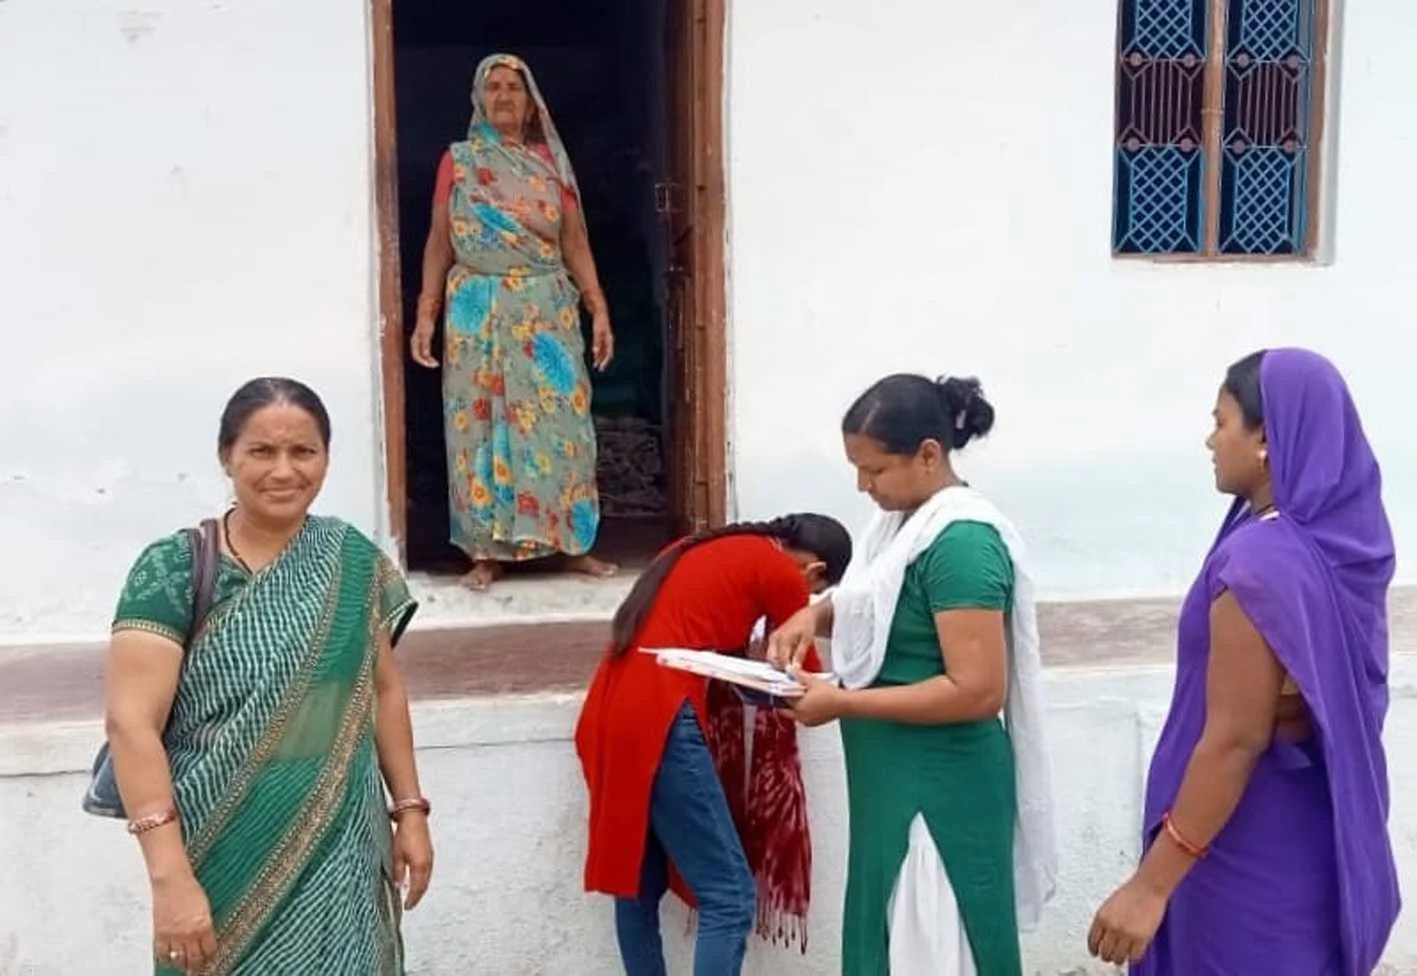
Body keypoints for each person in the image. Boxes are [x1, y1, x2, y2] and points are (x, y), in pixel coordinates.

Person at [104, 378, 433, 975]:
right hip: (219, 845)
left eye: (303, 451)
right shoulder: (174, 569)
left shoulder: (352, 562)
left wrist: (409, 809)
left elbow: (384, 689)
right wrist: (169, 878)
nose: (284, 470)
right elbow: (131, 724)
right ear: (227, 456)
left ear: (326, 459)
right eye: (261, 451)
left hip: (344, 842)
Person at [1088, 349, 1400, 974]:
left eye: (1221, 421)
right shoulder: (1329, 548)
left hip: (1237, 845)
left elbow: (1236, 738)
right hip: (1304, 835)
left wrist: (1151, 886)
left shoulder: (1260, 562)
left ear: (1265, 438)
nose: (1211, 440)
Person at [768, 373, 1056, 976]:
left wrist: (843, 702)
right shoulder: (900, 527)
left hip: (940, 790)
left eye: (874, 470)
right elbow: (874, 601)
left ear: (928, 454)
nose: (862, 485)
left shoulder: (962, 545)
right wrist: (813, 613)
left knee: (930, 945)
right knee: (891, 936)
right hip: (891, 780)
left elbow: (977, 690)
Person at [574, 515, 853, 975]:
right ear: (815, 571)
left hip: (609, 709)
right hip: (661, 712)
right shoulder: (783, 571)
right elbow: (805, 671)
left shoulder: (701, 545)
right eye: (813, 593)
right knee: (730, 894)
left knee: (638, 886)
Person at [410, 52, 617, 591]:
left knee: (562, 425)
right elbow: (439, 240)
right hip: (475, 310)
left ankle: (572, 545)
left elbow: (574, 242)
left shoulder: (551, 165)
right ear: (479, 99)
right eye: (494, 86)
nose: (504, 95)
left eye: (514, 88)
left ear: (531, 104)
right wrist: (426, 312)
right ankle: (486, 551)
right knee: (479, 427)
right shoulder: (458, 162)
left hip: (546, 309)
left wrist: (597, 306)